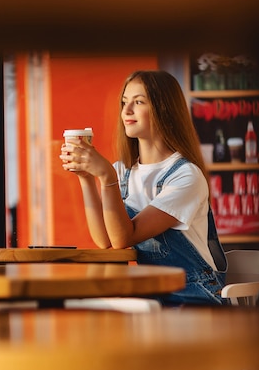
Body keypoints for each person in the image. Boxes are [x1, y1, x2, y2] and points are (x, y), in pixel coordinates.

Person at [59, 70, 228, 306]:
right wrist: (86, 178)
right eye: (124, 102)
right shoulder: (123, 172)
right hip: (152, 293)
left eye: (138, 102)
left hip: (192, 296)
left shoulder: (185, 176)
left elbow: (123, 238)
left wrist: (106, 176)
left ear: (164, 109)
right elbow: (105, 241)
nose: (126, 111)